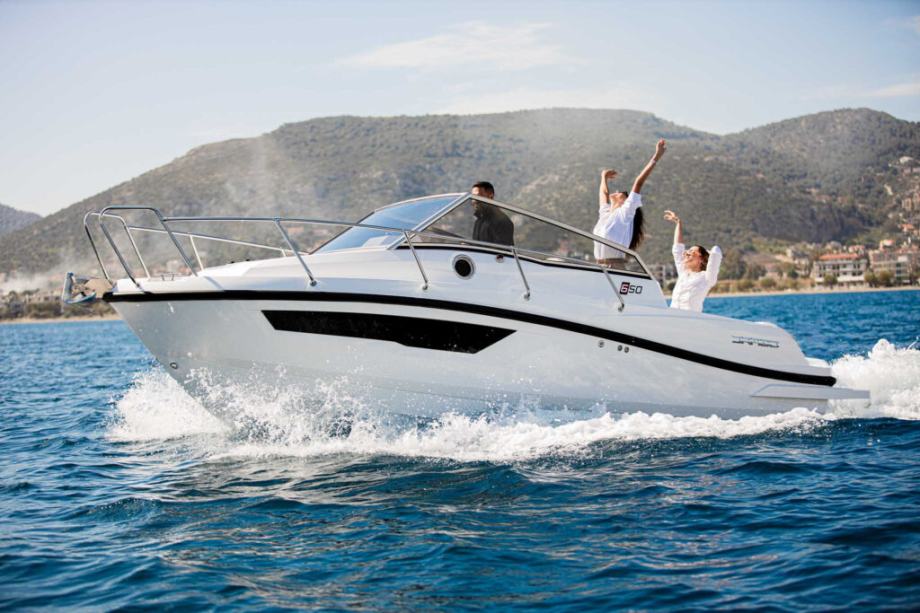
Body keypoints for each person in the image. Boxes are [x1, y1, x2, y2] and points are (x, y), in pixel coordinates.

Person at [593, 139, 666, 265]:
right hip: (599, 266)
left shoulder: (625, 214)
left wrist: (656, 157)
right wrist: (603, 177)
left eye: (621, 193)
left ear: (625, 201)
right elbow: (603, 193)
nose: (617, 191)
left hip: (615, 267)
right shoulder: (605, 214)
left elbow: (638, 182)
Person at [663, 210, 722, 312]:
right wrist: (678, 223)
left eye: (692, 252)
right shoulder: (683, 272)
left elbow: (716, 253)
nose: (687, 253)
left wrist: (709, 253)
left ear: (701, 259)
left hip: (691, 319)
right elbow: (677, 249)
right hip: (673, 317)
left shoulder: (707, 278)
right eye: (687, 251)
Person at [470, 181, 514, 246]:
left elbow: (502, 250)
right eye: (473, 197)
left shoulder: (502, 221)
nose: (474, 200)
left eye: (478, 196)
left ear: (490, 196)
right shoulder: (479, 220)